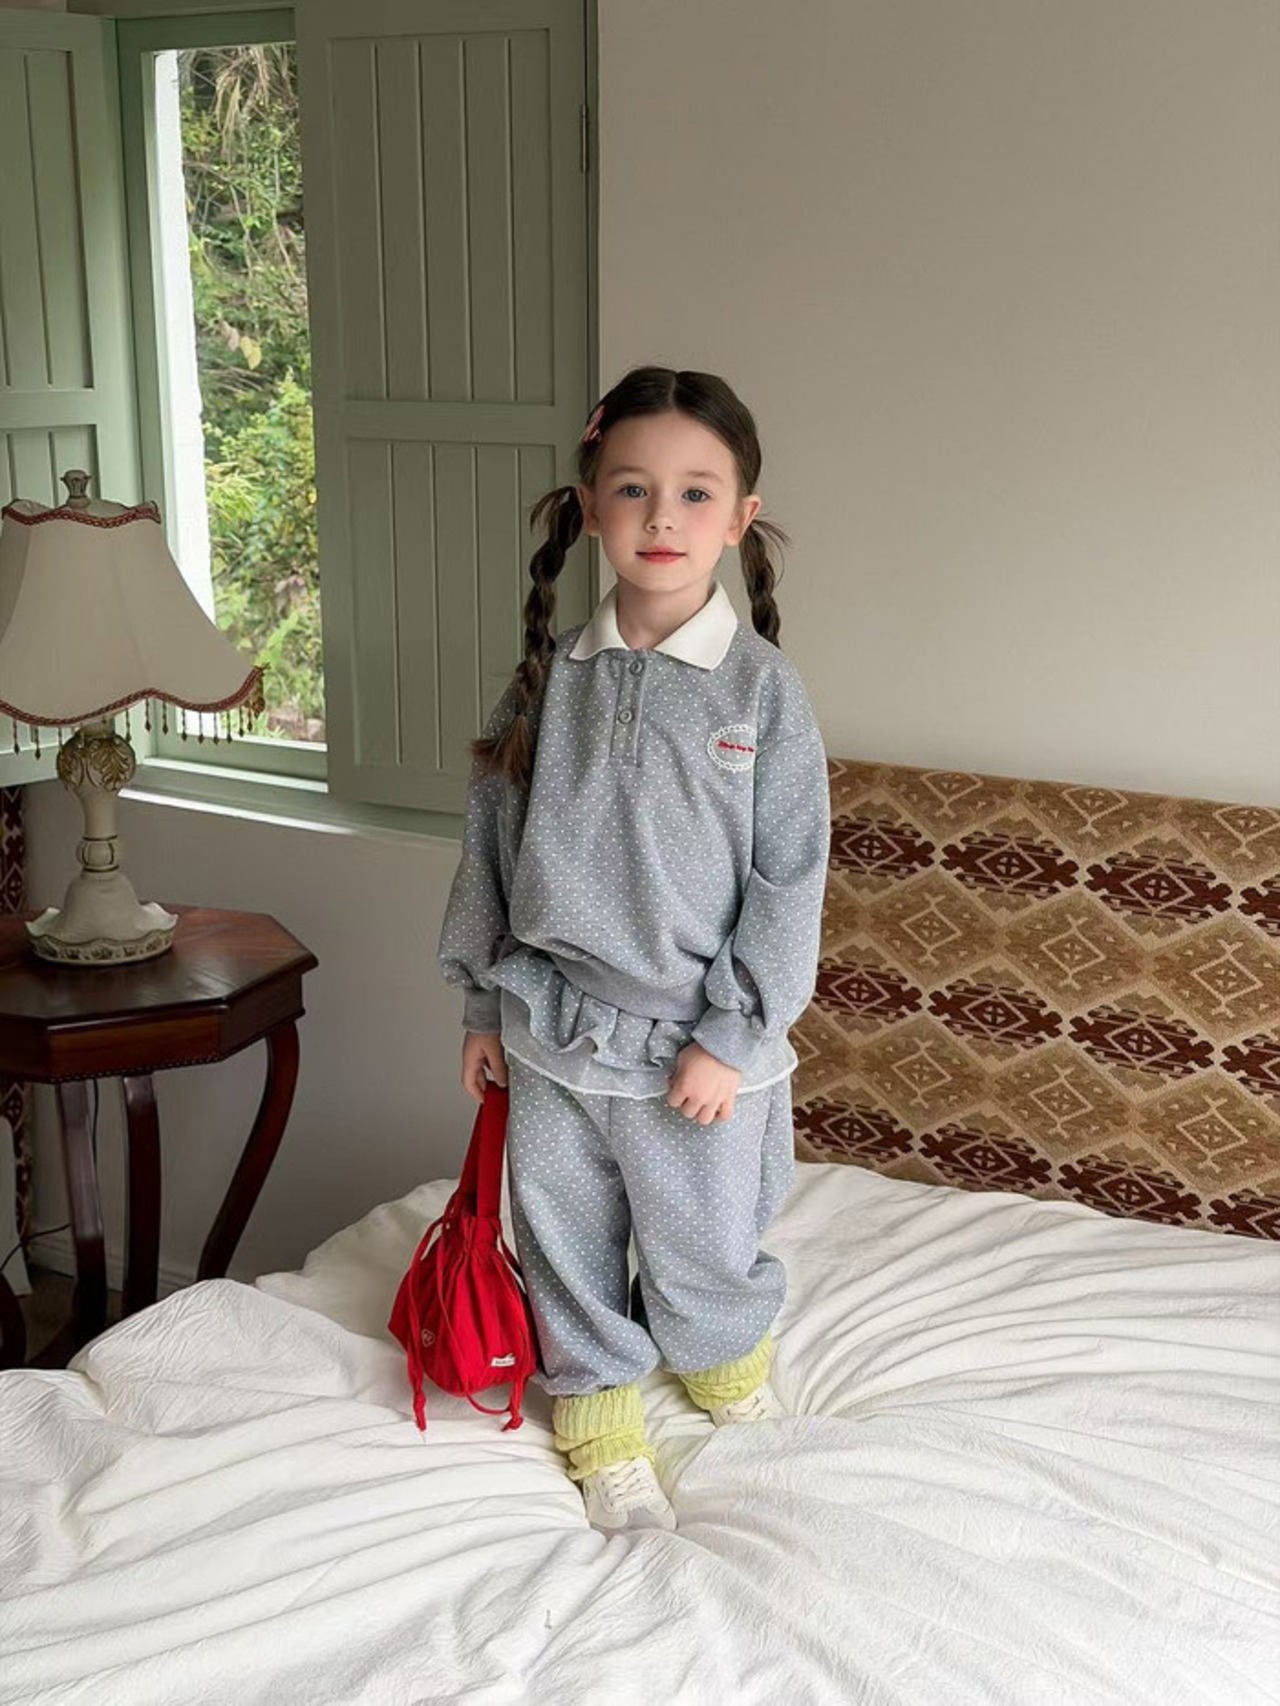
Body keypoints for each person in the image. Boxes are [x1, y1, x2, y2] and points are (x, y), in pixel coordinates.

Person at [436, 365, 831, 1533]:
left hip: (694, 1046)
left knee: (701, 1235)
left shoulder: (761, 692)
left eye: (695, 492)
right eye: (632, 487)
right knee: (561, 1230)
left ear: (739, 516)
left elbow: (788, 877)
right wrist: (479, 1007)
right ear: (589, 504)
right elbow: (488, 851)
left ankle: (720, 1356)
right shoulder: (545, 680)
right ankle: (600, 1412)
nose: (663, 516)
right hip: (551, 1026)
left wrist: (732, 1032)